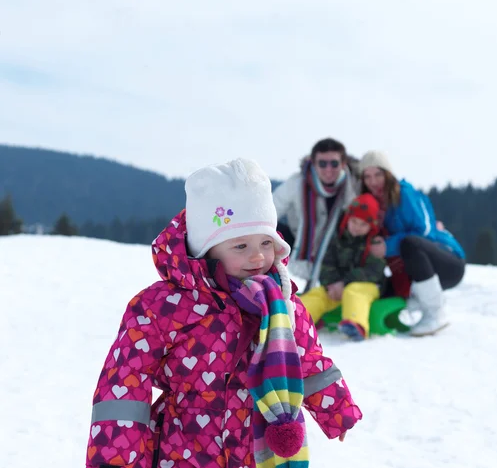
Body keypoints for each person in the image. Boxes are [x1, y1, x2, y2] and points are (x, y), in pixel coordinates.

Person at [85, 158, 362, 468]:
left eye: (265, 242)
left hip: (256, 447)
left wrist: (337, 409)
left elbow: (307, 359)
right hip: (185, 447)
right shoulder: (162, 306)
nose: (258, 256)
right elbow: (125, 378)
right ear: (206, 250)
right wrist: (115, 455)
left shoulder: (282, 301)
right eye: (241, 246)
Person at [359, 150, 466, 337]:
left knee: (410, 243)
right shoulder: (374, 205)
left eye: (378, 174)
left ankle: (435, 312)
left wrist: (387, 245)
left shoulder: (405, 194)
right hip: (415, 269)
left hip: (448, 262)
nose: (373, 181)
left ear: (388, 174)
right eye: (367, 176)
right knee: (385, 289)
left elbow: (425, 232)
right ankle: (401, 307)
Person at [273, 138, 358, 291]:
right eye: (322, 163)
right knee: (270, 231)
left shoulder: (351, 188)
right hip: (300, 242)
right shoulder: (298, 183)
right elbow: (272, 210)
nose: (328, 169)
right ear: (313, 163)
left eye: (334, 163)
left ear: (343, 164)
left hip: (333, 249)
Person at [299, 193, 386, 342]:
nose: (357, 227)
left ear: (371, 225)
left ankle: (355, 324)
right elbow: (327, 265)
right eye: (354, 222)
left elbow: (374, 272)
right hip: (337, 286)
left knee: (354, 292)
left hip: (367, 287)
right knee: (319, 294)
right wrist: (332, 283)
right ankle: (297, 318)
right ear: (347, 219)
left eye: (363, 224)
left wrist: (345, 282)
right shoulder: (337, 239)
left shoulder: (374, 244)